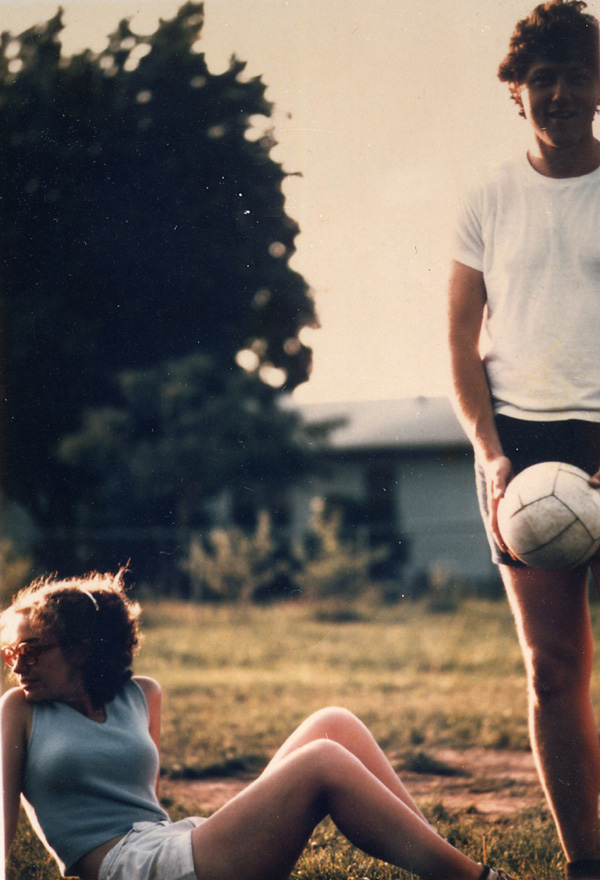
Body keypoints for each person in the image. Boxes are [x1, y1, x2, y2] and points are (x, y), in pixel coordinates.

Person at [1, 571, 515, 880]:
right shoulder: (19, 712)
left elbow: (144, 802)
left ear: (81, 649)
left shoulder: (141, 696)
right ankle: (473, 879)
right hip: (130, 870)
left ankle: (442, 862)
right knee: (322, 763)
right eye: (9, 651)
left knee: (333, 724)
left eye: (28, 650)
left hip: (169, 846)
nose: (15, 663)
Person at [447, 1, 600, 878]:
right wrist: (489, 450)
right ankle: (587, 863)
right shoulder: (487, 199)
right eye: (541, 77)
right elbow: (462, 342)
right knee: (552, 671)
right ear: (516, 91)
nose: (560, 92)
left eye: (576, 73)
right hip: (522, 451)